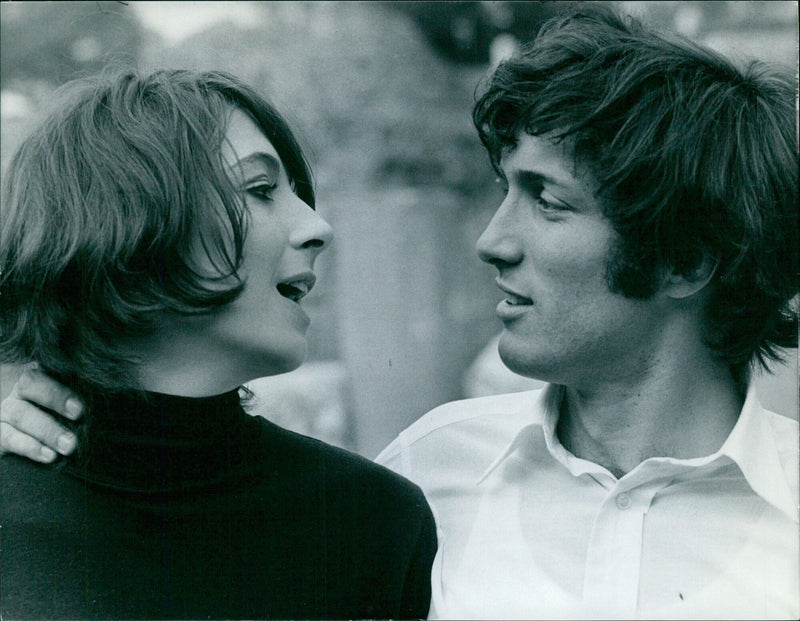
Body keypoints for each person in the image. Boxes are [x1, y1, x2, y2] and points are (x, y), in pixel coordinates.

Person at [3, 5, 798, 619]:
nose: (489, 241)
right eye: (501, 191)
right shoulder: (423, 474)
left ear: (690, 260)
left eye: (547, 202)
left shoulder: (363, 512)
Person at [0, 68, 436, 620]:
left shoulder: (374, 520)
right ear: (125, 219)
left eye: (300, 196)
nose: (318, 228)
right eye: (260, 190)